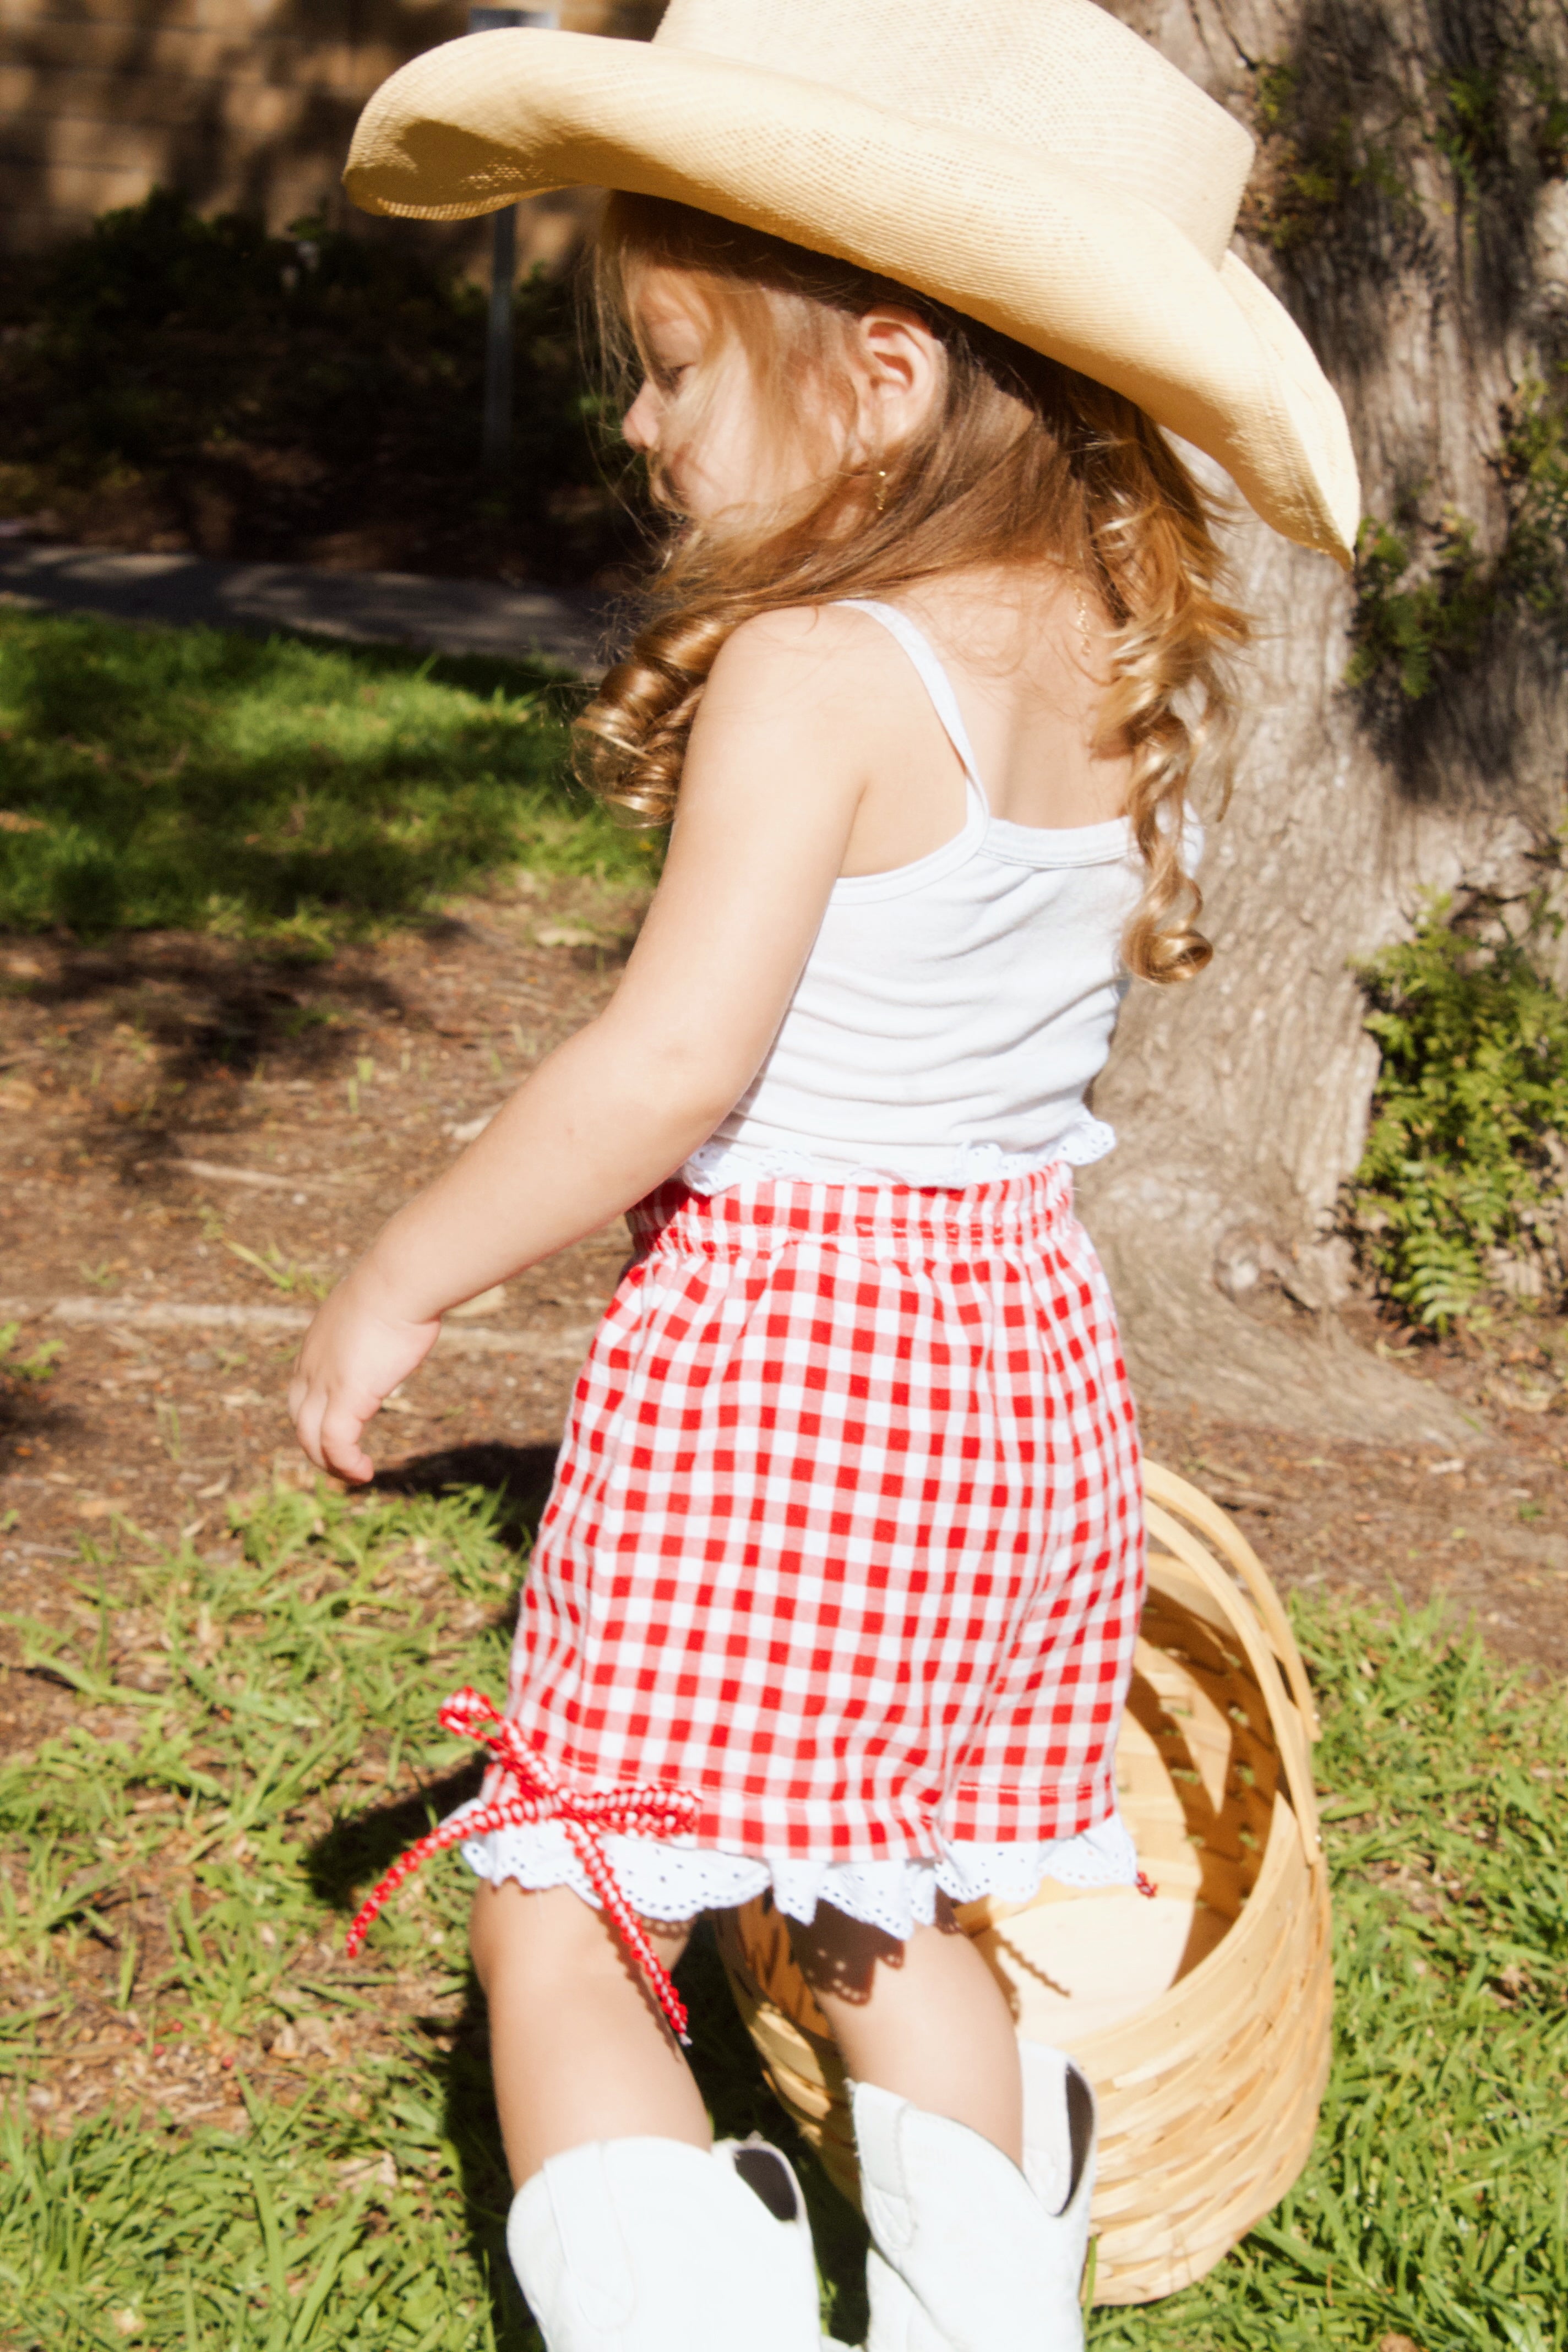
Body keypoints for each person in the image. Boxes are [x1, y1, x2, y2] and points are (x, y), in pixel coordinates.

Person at [293, 4, 1357, 2346]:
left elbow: (672, 1063)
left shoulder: (811, 668)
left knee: (560, 1897)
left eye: (672, 365)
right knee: (885, 1903)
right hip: (1011, 1374)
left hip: (789, 1375)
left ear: (878, 379)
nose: (642, 421)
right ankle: (992, 2306)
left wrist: (403, 1267)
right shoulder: (1092, 652)